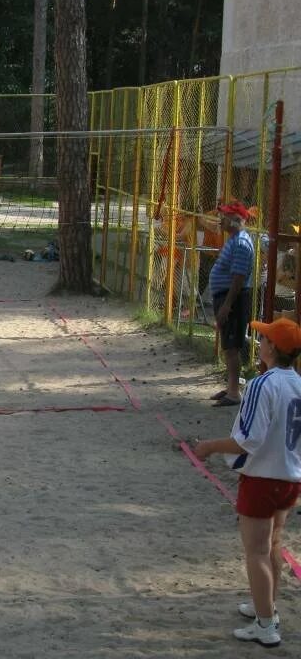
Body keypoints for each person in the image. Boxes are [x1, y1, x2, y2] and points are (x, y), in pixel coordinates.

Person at [192, 318, 301, 649]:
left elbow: (247, 440)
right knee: (272, 546)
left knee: (256, 551)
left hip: (262, 478)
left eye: (265, 337)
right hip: (290, 478)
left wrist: (209, 446)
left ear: (273, 348)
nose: (260, 341)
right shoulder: (297, 382)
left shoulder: (262, 384)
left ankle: (266, 624)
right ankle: (264, 604)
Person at [207, 201, 255, 407]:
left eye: (224, 217)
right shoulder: (234, 239)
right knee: (228, 345)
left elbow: (238, 277)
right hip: (226, 297)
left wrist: (227, 305)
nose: (220, 220)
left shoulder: (241, 243)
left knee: (232, 346)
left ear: (236, 220)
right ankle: (231, 387)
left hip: (233, 299)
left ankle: (234, 393)